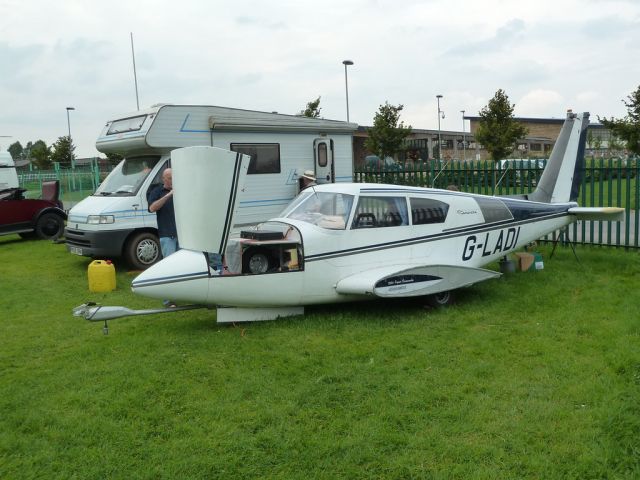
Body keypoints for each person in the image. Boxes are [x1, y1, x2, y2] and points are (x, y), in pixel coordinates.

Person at [148, 168, 178, 306]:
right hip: (167, 236)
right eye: (170, 178)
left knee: (182, 268)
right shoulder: (157, 192)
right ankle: (168, 300)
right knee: (169, 268)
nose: (172, 180)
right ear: (164, 179)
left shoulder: (181, 189)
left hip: (183, 236)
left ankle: (182, 294)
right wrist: (168, 196)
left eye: (174, 177)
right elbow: (152, 208)